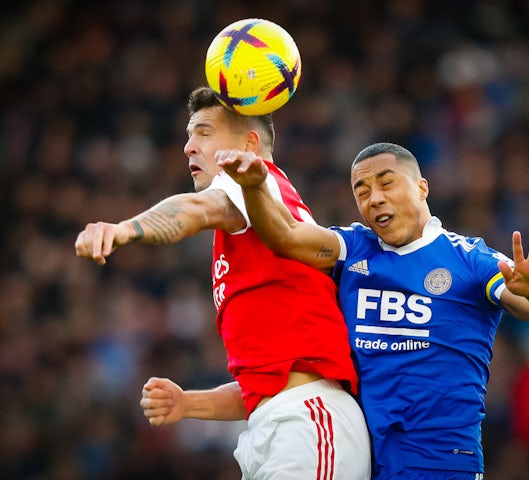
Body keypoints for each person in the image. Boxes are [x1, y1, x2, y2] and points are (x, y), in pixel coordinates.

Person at [216, 142, 529, 480]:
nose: (375, 199)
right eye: (362, 192)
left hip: (441, 461)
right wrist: (254, 185)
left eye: (386, 184)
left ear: (422, 188)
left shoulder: (471, 260)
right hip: (366, 460)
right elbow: (286, 237)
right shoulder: (354, 249)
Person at [74, 86, 371, 480]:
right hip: (283, 423)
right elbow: (267, 383)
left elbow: (196, 208)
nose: (188, 147)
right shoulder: (254, 223)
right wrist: (187, 404)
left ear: (249, 144)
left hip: (307, 421)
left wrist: (126, 229)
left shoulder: (255, 187)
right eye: (188, 135)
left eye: (203, 132)